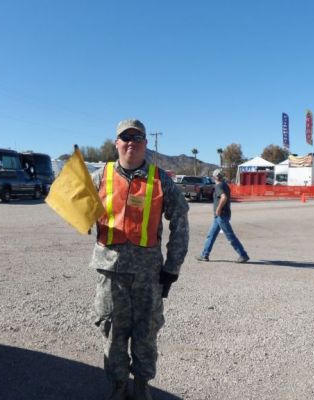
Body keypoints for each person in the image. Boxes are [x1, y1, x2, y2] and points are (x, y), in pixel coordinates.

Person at [90, 119, 189, 400]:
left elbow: (180, 218)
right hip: (111, 274)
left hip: (148, 277)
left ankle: (142, 387)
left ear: (146, 143)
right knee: (113, 334)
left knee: (146, 336)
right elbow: (80, 212)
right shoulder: (99, 177)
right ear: (116, 143)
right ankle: (118, 386)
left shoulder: (161, 179)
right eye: (126, 137)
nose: (131, 141)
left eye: (138, 137)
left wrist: (172, 267)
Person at [196, 168, 249, 263]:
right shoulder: (225, 185)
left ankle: (243, 254)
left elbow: (223, 197)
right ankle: (205, 255)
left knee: (230, 236)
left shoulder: (219, 186)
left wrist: (218, 208)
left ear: (215, 177)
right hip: (220, 216)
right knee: (211, 235)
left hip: (221, 215)